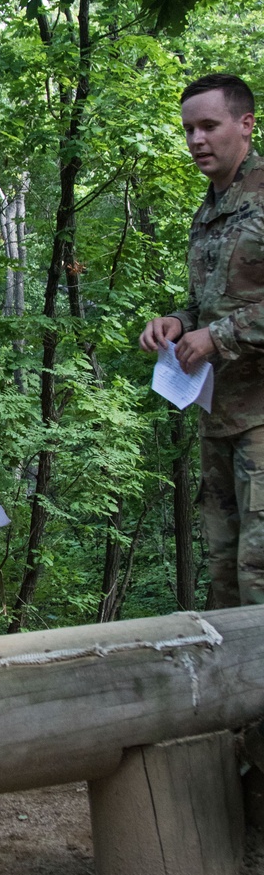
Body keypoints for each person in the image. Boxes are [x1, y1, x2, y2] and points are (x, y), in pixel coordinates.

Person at [139, 72, 264, 608]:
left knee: (259, 578)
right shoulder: (209, 211)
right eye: (189, 129)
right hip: (218, 418)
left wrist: (218, 336)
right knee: (224, 578)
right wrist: (176, 323)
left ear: (246, 124)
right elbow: (208, 301)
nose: (196, 140)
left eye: (209, 126)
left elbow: (226, 322)